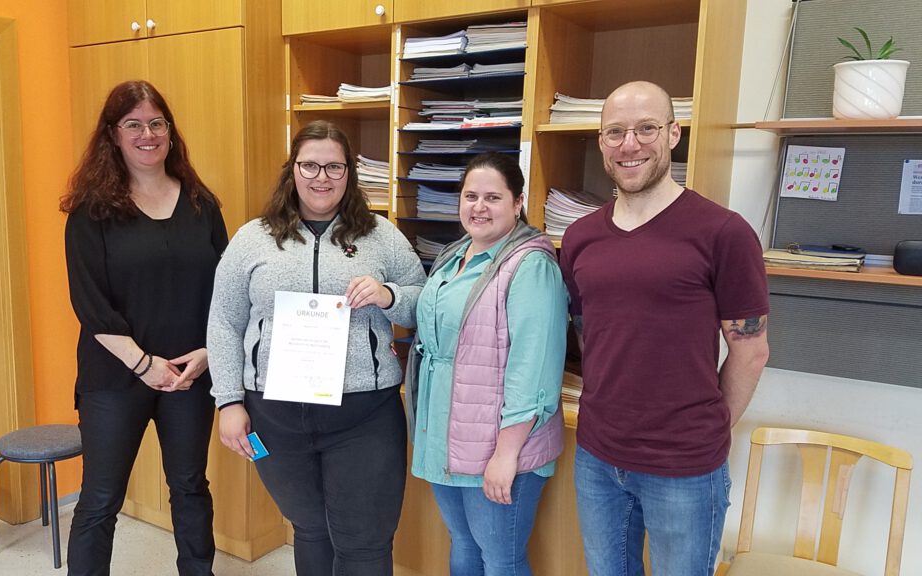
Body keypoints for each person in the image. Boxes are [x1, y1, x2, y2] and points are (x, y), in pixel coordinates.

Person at [558, 80, 770, 576]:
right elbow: (590, 331)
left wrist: (708, 430)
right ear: (602, 142)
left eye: (646, 128)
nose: (629, 144)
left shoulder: (723, 232)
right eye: (615, 132)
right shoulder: (580, 237)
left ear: (674, 133)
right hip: (597, 455)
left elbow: (750, 349)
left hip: (685, 466)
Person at [207, 120, 426, 576]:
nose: (321, 177)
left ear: (349, 173)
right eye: (309, 165)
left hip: (363, 415)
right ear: (292, 170)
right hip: (275, 416)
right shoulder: (252, 239)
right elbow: (224, 322)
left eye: (334, 167)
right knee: (309, 529)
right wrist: (228, 401)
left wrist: (389, 295)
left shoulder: (381, 236)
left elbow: (424, 305)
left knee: (364, 541)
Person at [61, 80, 226, 576]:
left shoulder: (200, 203)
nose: (147, 134)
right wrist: (142, 364)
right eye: (133, 124)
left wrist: (208, 352)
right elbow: (90, 303)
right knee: (100, 499)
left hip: (189, 375)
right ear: (113, 134)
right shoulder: (91, 212)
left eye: (156, 123)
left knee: (190, 487)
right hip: (115, 377)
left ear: (170, 132)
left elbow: (226, 290)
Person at [405, 152, 568, 576]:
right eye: (470, 196)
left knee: (501, 558)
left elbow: (532, 369)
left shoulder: (531, 266)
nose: (479, 207)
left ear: (517, 202)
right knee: (463, 543)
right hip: (447, 434)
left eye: (493, 197)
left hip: (498, 445)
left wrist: (506, 455)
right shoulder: (455, 254)